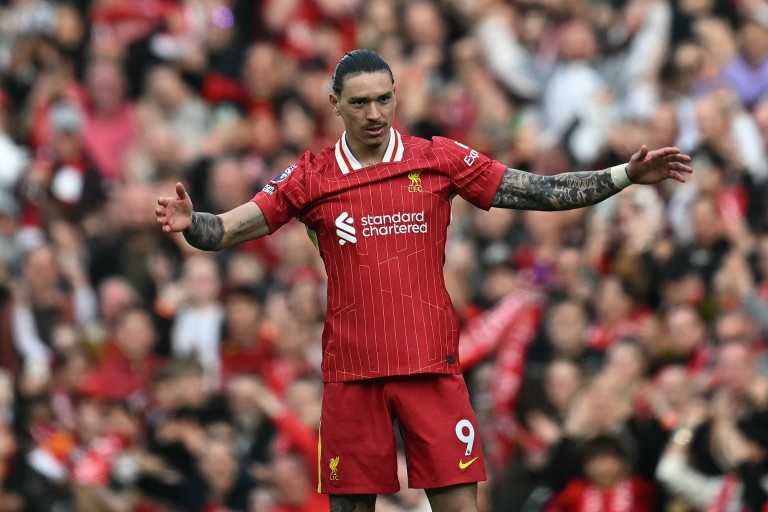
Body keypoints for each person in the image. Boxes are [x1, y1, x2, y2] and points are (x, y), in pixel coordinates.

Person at [155, 49, 692, 512]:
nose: (374, 113)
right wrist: (191, 223)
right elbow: (226, 230)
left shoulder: (437, 158)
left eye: (384, 99)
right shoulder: (310, 176)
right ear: (335, 104)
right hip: (352, 375)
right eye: (360, 102)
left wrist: (625, 175)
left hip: (429, 366)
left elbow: (542, 191)